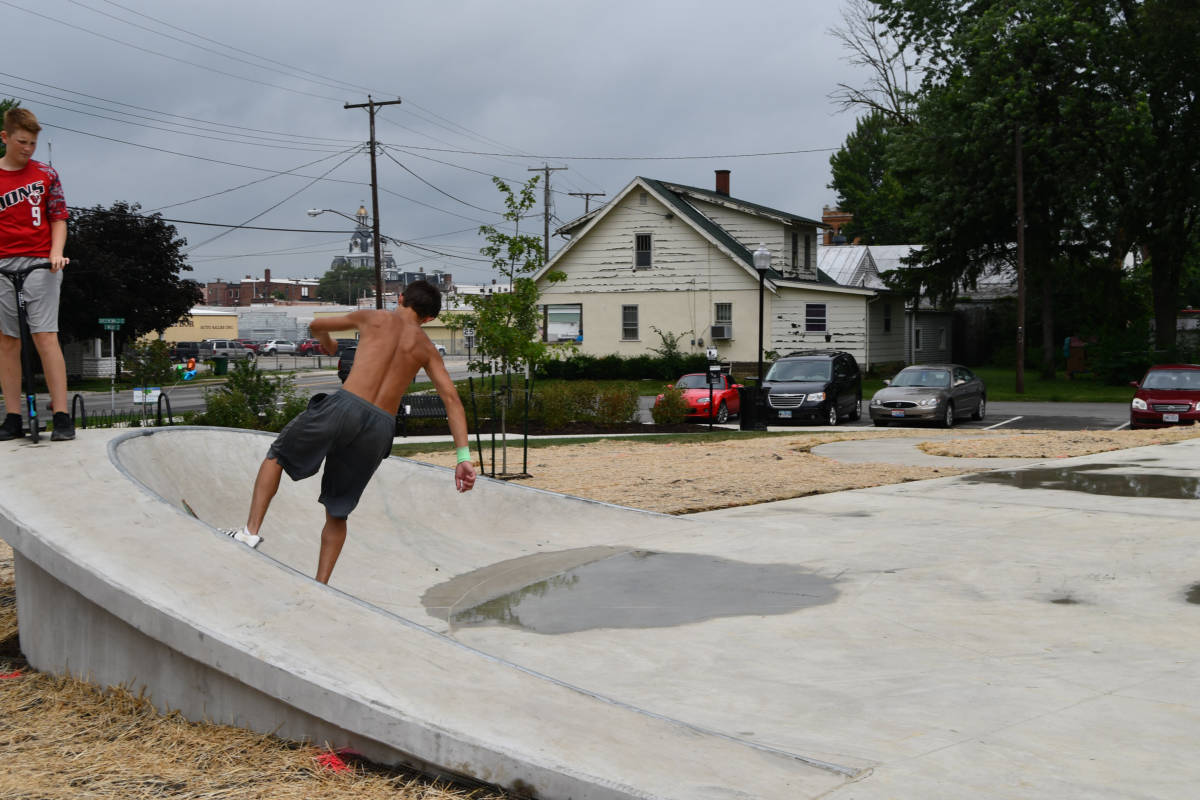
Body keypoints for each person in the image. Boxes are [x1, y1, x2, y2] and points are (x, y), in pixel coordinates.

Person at [223, 280, 477, 584]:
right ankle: (321, 584)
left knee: (277, 456)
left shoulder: (374, 317)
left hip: (346, 406)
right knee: (338, 510)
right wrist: (463, 457)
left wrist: (328, 344)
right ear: (429, 318)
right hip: (381, 427)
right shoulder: (426, 349)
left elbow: (316, 325)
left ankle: (249, 533)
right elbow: (452, 400)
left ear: (400, 298)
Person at [0, 107, 72, 441]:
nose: (28, 149)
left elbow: (58, 217)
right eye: (22, 142)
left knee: (45, 336)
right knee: (8, 341)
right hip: (2, 264)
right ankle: (13, 416)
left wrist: (56, 253)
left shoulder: (46, 174)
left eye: (32, 143)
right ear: (5, 137)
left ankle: (61, 415)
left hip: (41, 263)